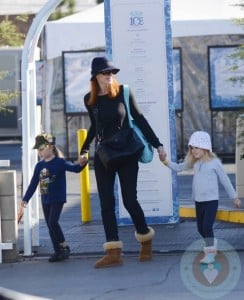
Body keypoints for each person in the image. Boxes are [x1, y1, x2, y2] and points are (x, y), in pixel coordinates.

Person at [79, 56, 166, 268]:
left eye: (112, 73)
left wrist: (158, 144)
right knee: (106, 203)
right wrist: (84, 149)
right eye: (105, 73)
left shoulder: (124, 92)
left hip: (127, 152)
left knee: (129, 200)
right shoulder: (89, 99)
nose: (110, 76)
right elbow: (94, 126)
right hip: (104, 155)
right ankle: (113, 252)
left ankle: (145, 239)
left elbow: (140, 119)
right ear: (96, 77)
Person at [159, 131, 241, 264]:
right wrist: (165, 162)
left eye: (196, 147)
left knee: (207, 227)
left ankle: (209, 254)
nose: (193, 151)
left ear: (205, 147)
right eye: (191, 148)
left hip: (211, 201)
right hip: (199, 202)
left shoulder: (215, 163)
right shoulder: (194, 162)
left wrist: (234, 197)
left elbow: (225, 180)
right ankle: (211, 245)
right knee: (200, 228)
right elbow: (178, 167)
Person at [20, 133, 88, 262]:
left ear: (51, 147)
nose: (39, 153)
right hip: (45, 199)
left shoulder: (60, 162)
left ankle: (64, 246)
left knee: (53, 222)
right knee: (50, 225)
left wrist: (82, 164)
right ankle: (57, 251)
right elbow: (34, 183)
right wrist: (25, 199)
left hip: (57, 198)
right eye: (38, 150)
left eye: (41, 149)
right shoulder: (39, 166)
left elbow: (75, 169)